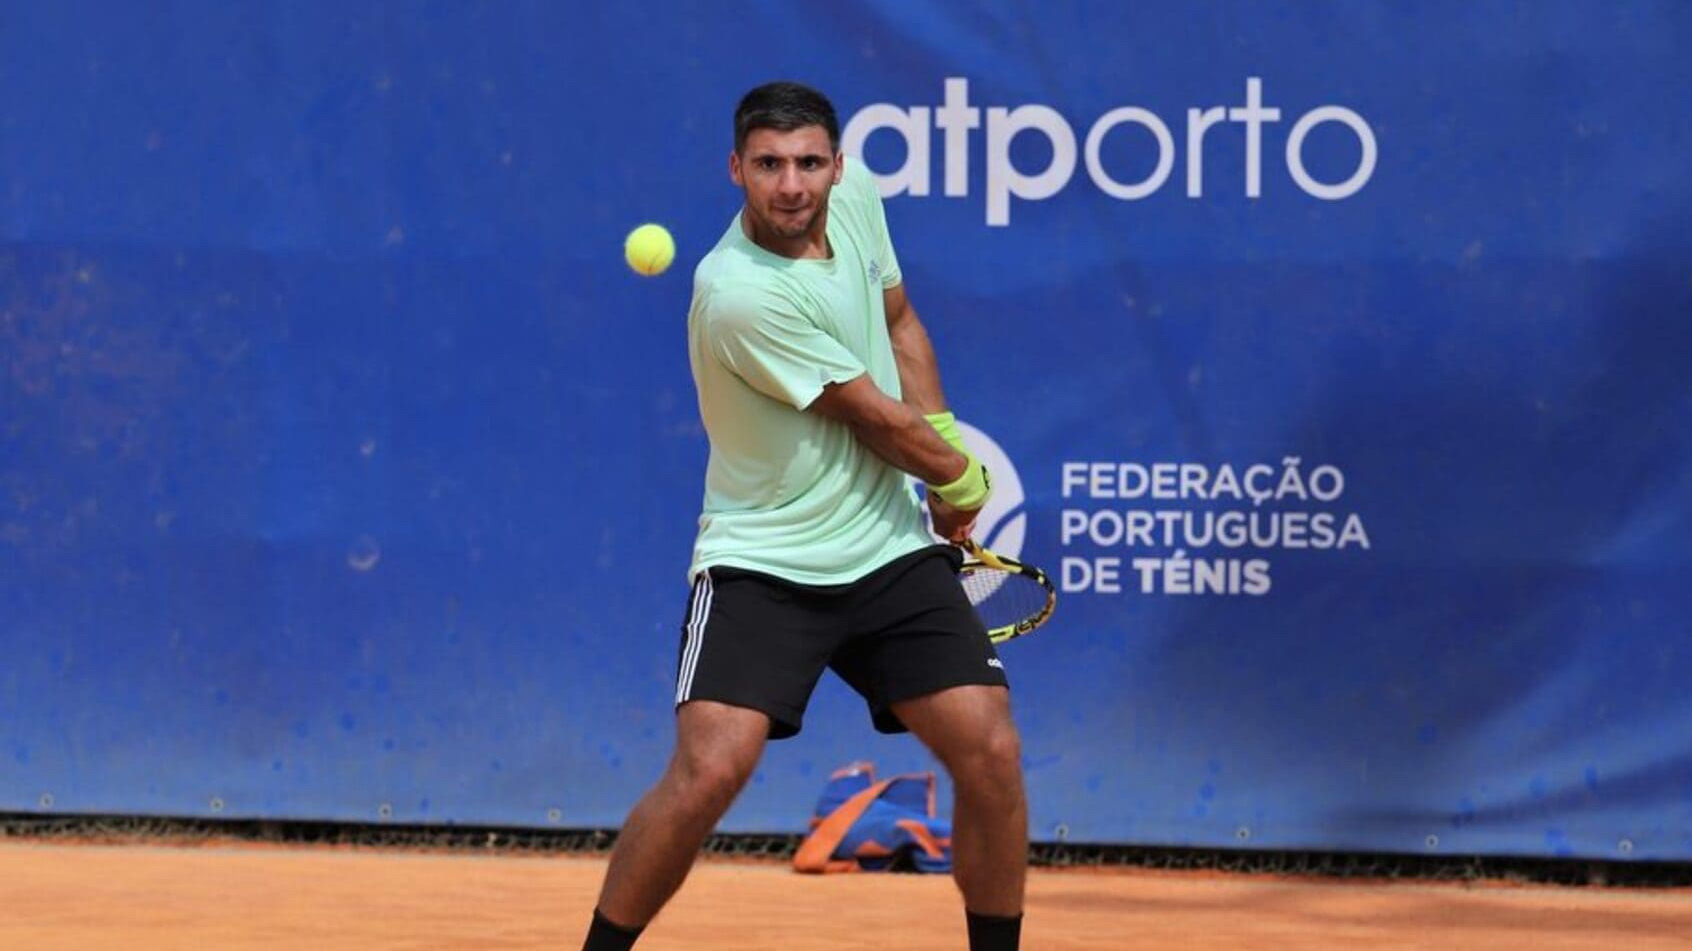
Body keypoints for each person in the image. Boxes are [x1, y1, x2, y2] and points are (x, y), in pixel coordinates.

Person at [581, 81, 1026, 951]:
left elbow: (898, 323)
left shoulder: (856, 203)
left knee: (992, 752)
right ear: (736, 169)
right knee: (710, 771)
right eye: (770, 165)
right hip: (764, 561)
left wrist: (939, 462)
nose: (792, 185)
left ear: (838, 165)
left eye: (810, 163)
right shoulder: (737, 291)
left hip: (886, 550)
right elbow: (872, 416)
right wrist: (960, 480)